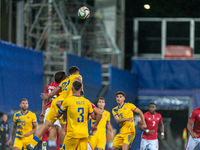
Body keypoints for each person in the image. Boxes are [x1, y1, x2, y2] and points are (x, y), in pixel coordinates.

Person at [26, 66, 83, 150]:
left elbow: (55, 91)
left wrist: (47, 96)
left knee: (45, 125)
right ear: (77, 72)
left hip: (54, 102)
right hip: (63, 104)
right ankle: (61, 148)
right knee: (62, 129)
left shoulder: (64, 82)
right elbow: (79, 87)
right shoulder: (78, 77)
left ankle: (32, 144)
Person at [56, 81, 101, 150]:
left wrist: (65, 112)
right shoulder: (87, 102)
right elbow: (95, 116)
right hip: (84, 134)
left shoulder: (68, 101)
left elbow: (58, 115)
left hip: (72, 134)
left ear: (72, 89)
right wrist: (95, 126)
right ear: (81, 89)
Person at [39, 71, 67, 150]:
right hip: (58, 108)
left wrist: (43, 112)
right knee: (60, 129)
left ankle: (44, 144)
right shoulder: (62, 87)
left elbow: (44, 100)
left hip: (49, 108)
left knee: (47, 126)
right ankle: (59, 148)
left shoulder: (48, 86)